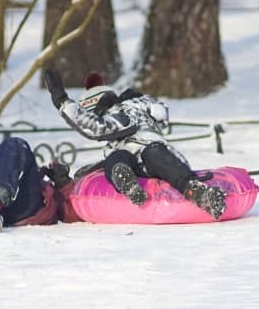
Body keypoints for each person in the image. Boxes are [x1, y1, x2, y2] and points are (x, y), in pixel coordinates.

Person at [41, 69, 226, 220]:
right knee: (116, 159)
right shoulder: (124, 133)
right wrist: (70, 180)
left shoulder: (126, 113)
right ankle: (127, 182)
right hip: (136, 161)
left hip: (152, 155)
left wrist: (62, 101)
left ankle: (196, 191)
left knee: (144, 154)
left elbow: (96, 127)